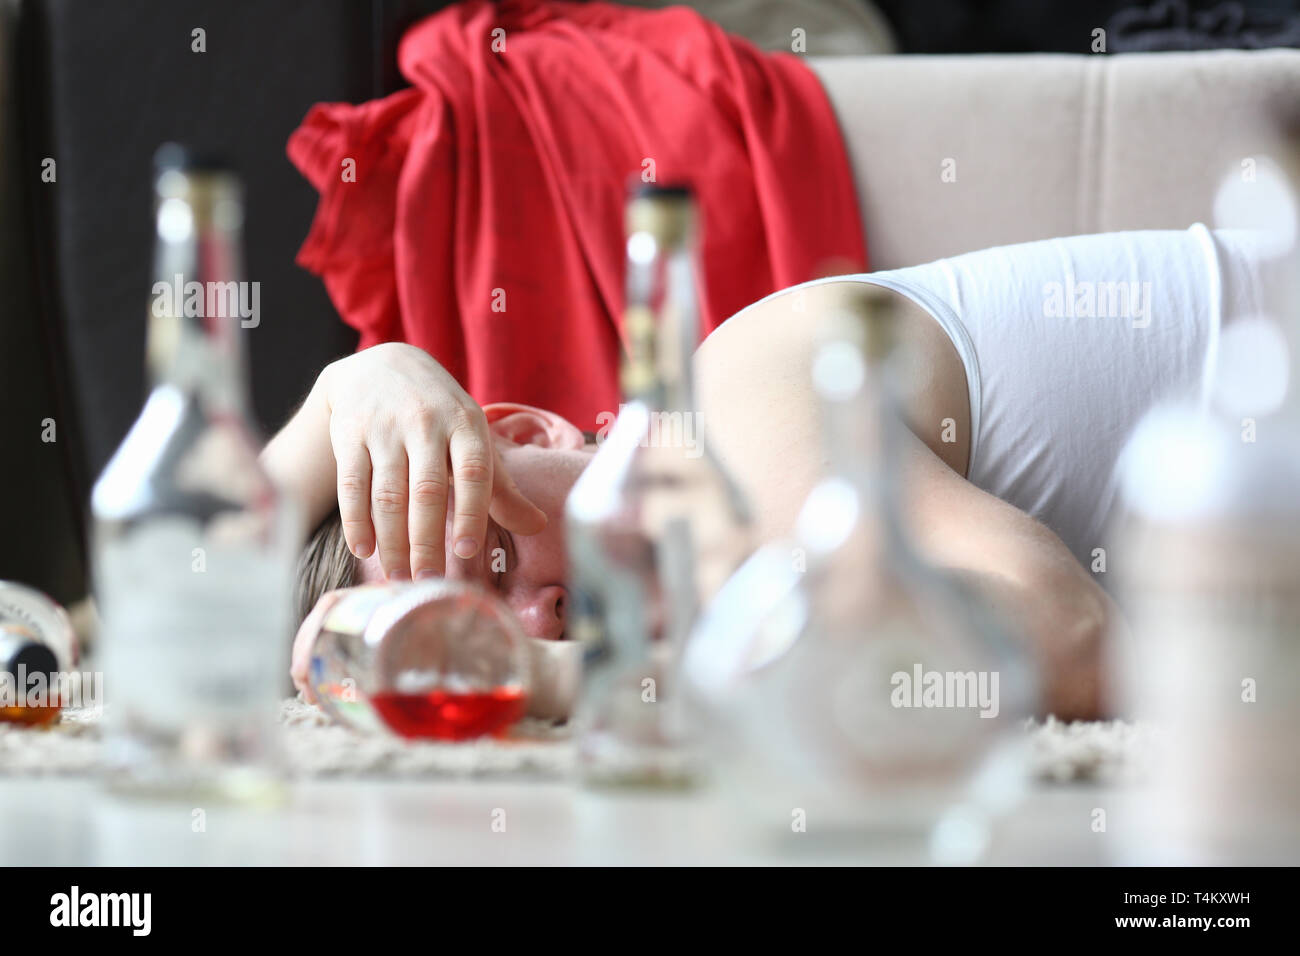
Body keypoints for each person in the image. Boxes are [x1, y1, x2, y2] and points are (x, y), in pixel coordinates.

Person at [262, 225, 1270, 721]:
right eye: (484, 629)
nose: (534, 620)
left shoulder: (722, 416)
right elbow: (176, 593)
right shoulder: (730, 605)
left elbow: (1080, 643)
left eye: (488, 559)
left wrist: (347, 386)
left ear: (532, 428)